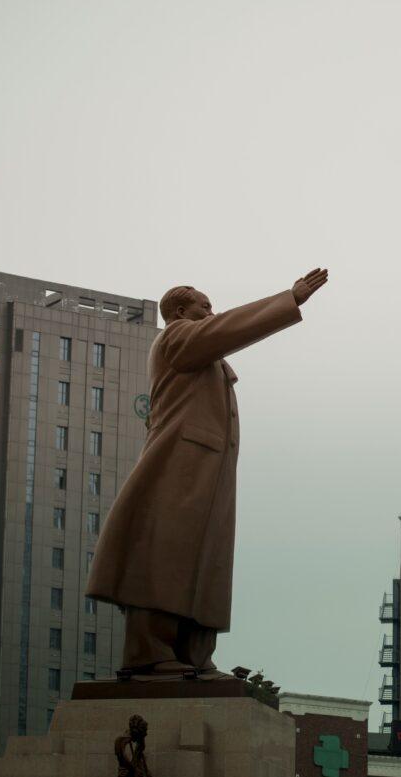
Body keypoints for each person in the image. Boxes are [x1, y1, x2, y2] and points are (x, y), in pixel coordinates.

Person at [87, 268, 329, 675]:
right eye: (205, 305)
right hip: (178, 468)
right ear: (180, 311)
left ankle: (194, 656)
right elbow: (226, 329)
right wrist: (289, 299)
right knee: (166, 556)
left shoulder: (204, 354)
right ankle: (149, 653)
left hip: (207, 472)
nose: (211, 312)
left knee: (205, 563)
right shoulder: (176, 336)